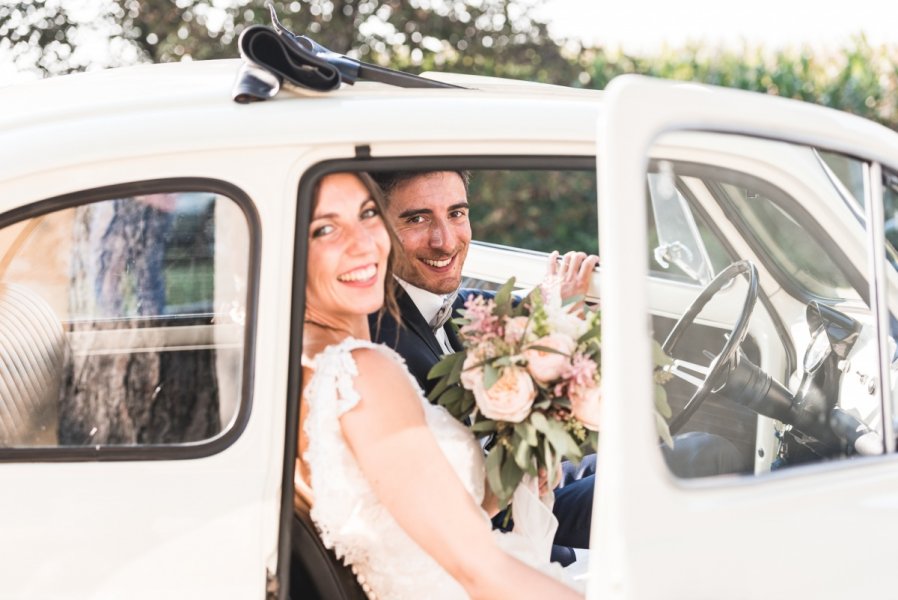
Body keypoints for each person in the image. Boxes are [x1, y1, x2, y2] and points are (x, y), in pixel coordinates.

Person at [295, 172, 582, 599]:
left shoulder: (302, 355)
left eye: (367, 215)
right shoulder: (362, 371)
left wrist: (525, 449)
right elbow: (480, 570)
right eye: (326, 229)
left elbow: (433, 506)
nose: (365, 244)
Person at [368, 170, 599, 565]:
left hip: (522, 493)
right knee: (699, 459)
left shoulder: (434, 300)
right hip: (499, 530)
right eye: (417, 219)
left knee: (647, 456)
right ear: (379, 229)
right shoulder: (384, 348)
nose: (445, 240)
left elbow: (478, 306)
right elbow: (451, 512)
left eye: (456, 213)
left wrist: (549, 301)